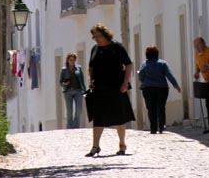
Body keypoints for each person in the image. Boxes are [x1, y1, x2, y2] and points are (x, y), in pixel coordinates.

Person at [85, 23, 135, 157]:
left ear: (105, 35)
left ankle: (122, 145)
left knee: (119, 117)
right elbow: (90, 67)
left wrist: (125, 83)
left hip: (116, 87)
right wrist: (90, 81)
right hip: (99, 88)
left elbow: (128, 64)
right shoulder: (95, 49)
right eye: (94, 37)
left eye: (99, 36)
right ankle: (95, 146)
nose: (96, 39)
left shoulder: (117, 47)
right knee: (98, 118)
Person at [138, 45, 181, 134]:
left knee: (151, 108)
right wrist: (176, 85)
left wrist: (143, 81)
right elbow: (169, 75)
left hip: (148, 88)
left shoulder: (144, 64)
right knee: (161, 107)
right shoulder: (163, 63)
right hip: (162, 88)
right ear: (157, 54)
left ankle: (153, 128)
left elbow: (141, 75)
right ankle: (161, 126)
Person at [59, 52, 86, 129]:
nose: (72, 62)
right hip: (68, 92)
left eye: (73, 60)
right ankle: (70, 127)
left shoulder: (78, 68)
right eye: (71, 60)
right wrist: (64, 83)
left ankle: (76, 126)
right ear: (67, 60)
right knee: (69, 111)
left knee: (79, 109)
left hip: (78, 91)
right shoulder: (64, 70)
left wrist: (84, 90)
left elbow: (82, 80)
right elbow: (60, 82)